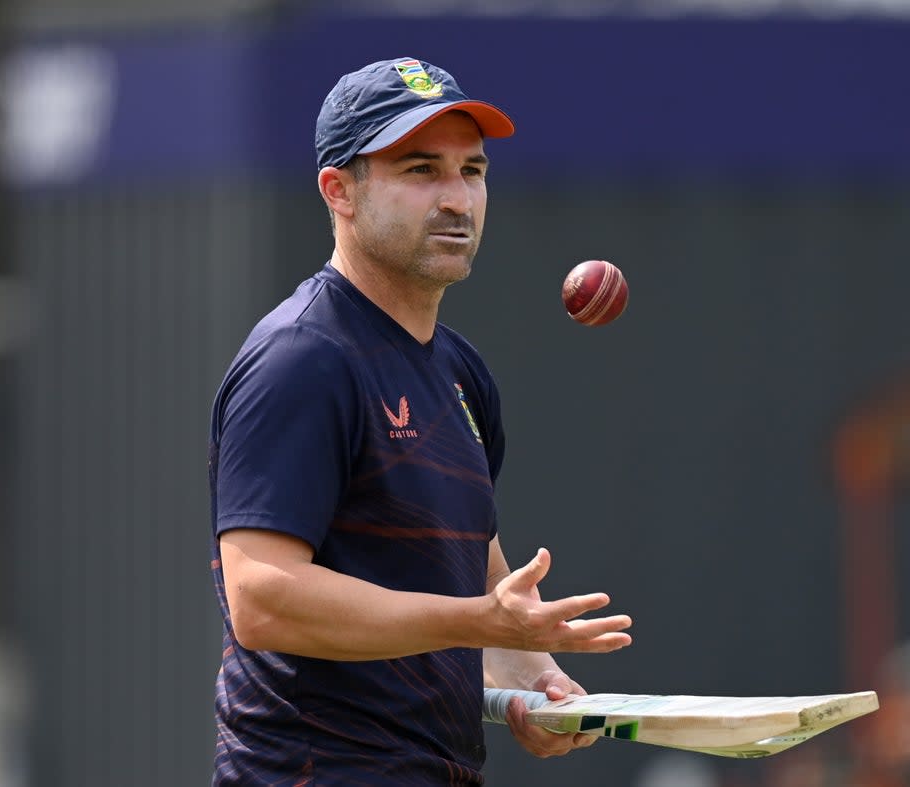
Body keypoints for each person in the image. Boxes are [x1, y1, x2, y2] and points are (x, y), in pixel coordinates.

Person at [207, 57, 633, 785]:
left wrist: (531, 677)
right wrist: (476, 622)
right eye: (419, 170)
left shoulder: (460, 372)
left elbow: (476, 572)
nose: (458, 199)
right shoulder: (302, 360)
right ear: (338, 190)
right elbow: (263, 599)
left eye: (472, 170)